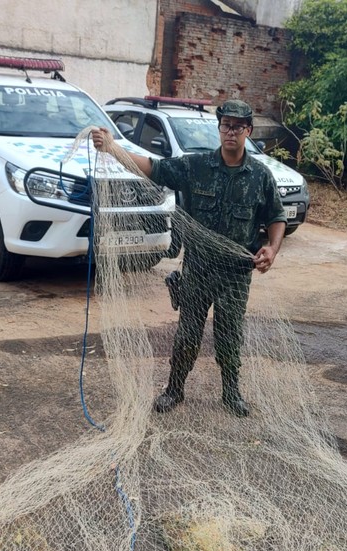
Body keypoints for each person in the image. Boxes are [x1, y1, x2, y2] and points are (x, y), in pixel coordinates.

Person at [92, 100, 286, 417]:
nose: (231, 132)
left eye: (238, 127)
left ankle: (232, 393)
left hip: (235, 274)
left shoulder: (260, 176)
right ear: (219, 128)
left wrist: (273, 249)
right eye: (226, 125)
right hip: (197, 269)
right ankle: (174, 389)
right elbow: (152, 167)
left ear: (248, 131)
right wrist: (113, 149)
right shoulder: (195, 167)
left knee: (230, 336)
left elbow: (276, 216)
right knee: (187, 336)